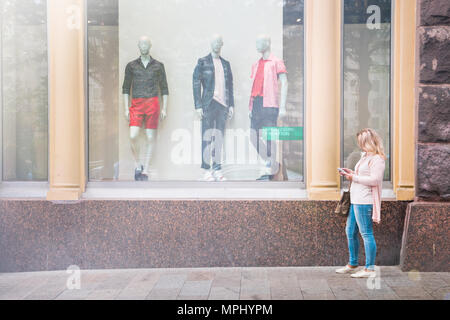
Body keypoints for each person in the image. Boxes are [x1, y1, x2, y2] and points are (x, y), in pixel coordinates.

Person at [336, 128, 386, 278]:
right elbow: (363, 176)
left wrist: (354, 178)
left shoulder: (377, 159)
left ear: (369, 142)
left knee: (366, 233)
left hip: (365, 201)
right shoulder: (365, 157)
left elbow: (375, 180)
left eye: (362, 142)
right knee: (350, 232)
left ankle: (370, 269)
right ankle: (353, 264)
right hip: (355, 199)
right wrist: (351, 173)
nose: (360, 145)